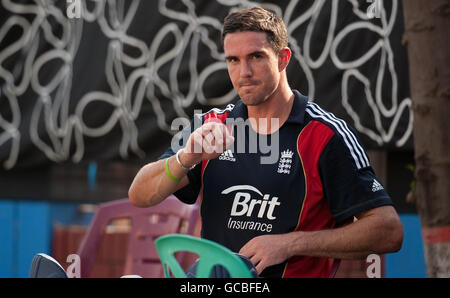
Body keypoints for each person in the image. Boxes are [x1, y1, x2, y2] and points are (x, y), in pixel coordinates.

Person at [129, 6, 403, 278]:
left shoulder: (325, 135)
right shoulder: (212, 126)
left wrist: (290, 243)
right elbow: (139, 195)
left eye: (256, 57)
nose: (243, 72)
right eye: (233, 60)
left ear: (283, 58)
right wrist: (184, 159)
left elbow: (388, 231)